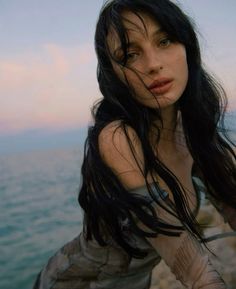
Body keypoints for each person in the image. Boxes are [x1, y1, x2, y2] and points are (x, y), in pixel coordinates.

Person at [33, 0, 236, 288]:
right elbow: (192, 269)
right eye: (129, 54)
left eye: (165, 40)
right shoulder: (118, 139)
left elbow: (230, 201)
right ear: (114, 74)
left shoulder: (191, 129)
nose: (153, 65)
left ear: (187, 47)